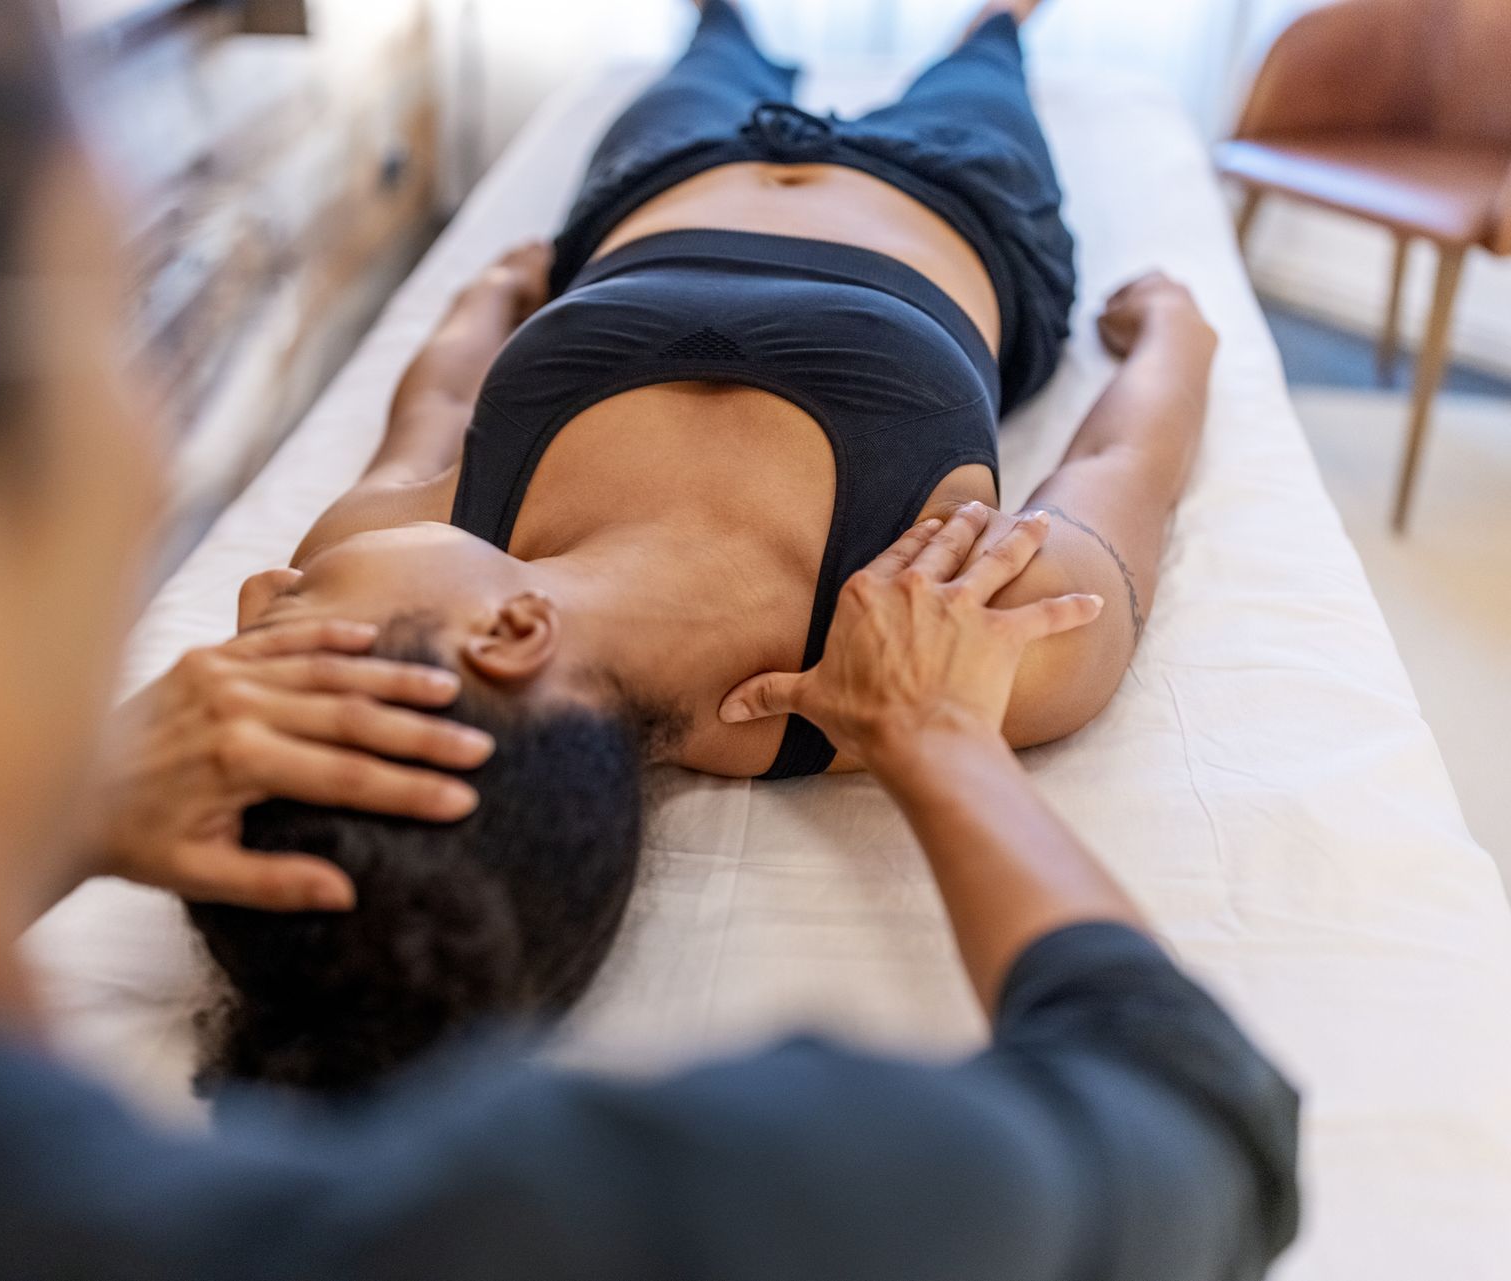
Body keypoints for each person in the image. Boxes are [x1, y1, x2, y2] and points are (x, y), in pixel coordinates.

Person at [0, 3, 1300, 1277]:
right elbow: (1193, 1111)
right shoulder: (565, 1220)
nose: (249, 599)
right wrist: (942, 737)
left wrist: (39, 811)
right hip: (950, 226)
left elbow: (419, 434)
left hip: (668, 199)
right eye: (134, 315)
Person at [196, 0, 1220, 1089]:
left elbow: (438, 403)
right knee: (987, 51)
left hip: (655, 181)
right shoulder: (936, 643)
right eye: (286, 630)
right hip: (966, 199)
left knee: (714, 35)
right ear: (506, 636)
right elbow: (1117, 478)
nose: (262, 592)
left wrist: (491, 296)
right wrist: (1177, 338)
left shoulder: (399, 536)